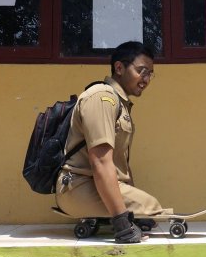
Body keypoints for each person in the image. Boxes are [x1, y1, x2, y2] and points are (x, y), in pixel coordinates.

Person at [55, 41, 168, 243]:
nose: (146, 79)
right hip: (79, 189)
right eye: (142, 71)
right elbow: (100, 162)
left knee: (145, 209)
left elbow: (120, 164)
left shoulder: (120, 103)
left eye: (150, 74)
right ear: (119, 67)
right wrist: (123, 223)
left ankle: (107, 215)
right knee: (151, 207)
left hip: (95, 187)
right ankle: (109, 216)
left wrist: (134, 210)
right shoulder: (102, 98)